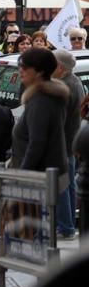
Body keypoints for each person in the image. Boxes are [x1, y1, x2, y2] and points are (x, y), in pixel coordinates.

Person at [10, 47, 71, 224]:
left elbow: (37, 143)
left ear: (39, 72)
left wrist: (22, 175)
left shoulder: (41, 100)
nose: (21, 70)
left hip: (39, 178)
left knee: (35, 235)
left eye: (25, 67)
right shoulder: (46, 97)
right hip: (45, 174)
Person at [53, 49, 84, 239]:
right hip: (70, 142)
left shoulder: (65, 86)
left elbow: (59, 120)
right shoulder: (74, 82)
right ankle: (68, 223)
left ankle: (65, 226)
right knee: (68, 185)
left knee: (62, 186)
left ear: (60, 67)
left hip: (63, 143)